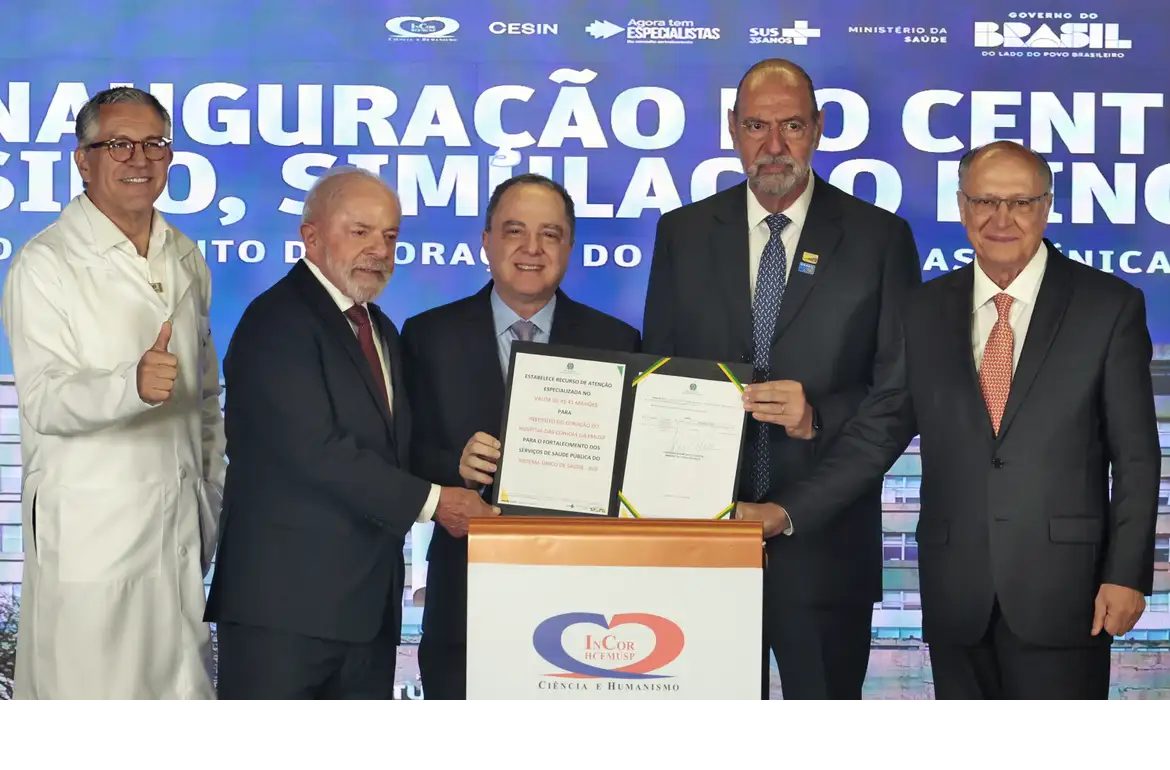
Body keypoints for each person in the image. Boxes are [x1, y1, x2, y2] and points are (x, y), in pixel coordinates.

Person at [775, 141, 1159, 699]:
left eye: (1020, 203)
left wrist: (1125, 574)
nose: (1001, 219)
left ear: (1046, 206)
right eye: (984, 202)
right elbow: (878, 431)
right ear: (961, 207)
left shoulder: (1109, 306)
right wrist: (787, 511)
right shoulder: (922, 309)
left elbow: (1137, 458)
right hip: (957, 595)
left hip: (1067, 594)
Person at [642, 58, 922, 699]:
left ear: (818, 128)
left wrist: (817, 416)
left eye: (792, 126)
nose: (774, 146)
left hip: (825, 550)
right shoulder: (682, 233)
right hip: (704, 548)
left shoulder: (880, 240)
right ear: (732, 129)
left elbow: (898, 399)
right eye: (756, 126)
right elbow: (658, 380)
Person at [204, 167, 498, 699]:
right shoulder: (275, 322)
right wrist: (438, 502)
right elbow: (314, 453)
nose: (379, 250)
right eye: (360, 231)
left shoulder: (378, 327)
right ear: (311, 236)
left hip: (365, 614)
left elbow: (390, 449)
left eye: (390, 236)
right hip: (284, 615)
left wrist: (452, 466)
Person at [1, 86, 225, 698]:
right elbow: (44, 398)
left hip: (177, 533)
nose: (139, 159)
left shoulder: (185, 256)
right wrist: (129, 385)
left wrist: (210, 493)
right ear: (84, 160)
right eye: (119, 144)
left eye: (155, 144)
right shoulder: (45, 264)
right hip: (91, 535)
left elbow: (206, 399)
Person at [401, 173, 640, 699]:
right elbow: (402, 455)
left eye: (550, 234)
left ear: (569, 247)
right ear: (486, 241)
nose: (532, 248)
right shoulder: (427, 335)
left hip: (586, 596)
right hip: (467, 590)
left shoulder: (618, 341)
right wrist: (453, 465)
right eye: (514, 231)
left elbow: (635, 467)